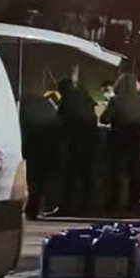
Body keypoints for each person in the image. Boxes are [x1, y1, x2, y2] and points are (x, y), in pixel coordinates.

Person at [100, 75, 140, 212]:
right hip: (138, 140)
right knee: (135, 172)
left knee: (118, 172)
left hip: (119, 139)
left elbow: (104, 119)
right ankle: (134, 203)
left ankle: (116, 203)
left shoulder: (116, 101)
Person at [56, 77, 100, 214]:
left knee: (70, 175)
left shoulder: (66, 99)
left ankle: (67, 207)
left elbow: (60, 119)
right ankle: (88, 207)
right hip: (90, 140)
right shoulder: (85, 96)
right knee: (88, 175)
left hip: (73, 141)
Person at [18, 87, 61, 218]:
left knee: (33, 180)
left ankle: (31, 209)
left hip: (33, 149)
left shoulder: (24, 109)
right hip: (48, 149)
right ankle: (38, 208)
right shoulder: (47, 108)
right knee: (41, 180)